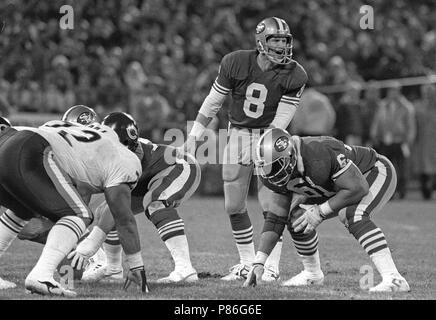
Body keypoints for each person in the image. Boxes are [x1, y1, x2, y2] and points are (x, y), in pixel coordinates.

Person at [181, 17, 307, 281]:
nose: (282, 45)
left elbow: (281, 120)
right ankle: (247, 263)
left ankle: (270, 266)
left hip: (271, 136)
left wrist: (263, 147)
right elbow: (213, 101)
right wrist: (194, 136)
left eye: (285, 40)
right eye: (276, 40)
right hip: (238, 133)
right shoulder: (235, 61)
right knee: (233, 205)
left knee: (270, 204)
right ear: (261, 40)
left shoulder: (295, 74)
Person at [244, 128, 410, 292]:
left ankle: (394, 278)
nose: (270, 173)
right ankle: (312, 274)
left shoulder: (318, 153)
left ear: (290, 155)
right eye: (266, 167)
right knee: (295, 216)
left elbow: (358, 188)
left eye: (275, 165)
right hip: (336, 187)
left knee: (352, 214)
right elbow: (275, 219)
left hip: (372, 172)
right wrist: (259, 261)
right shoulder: (274, 176)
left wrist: (320, 211)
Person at [0, 113, 147, 296]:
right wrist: (136, 266)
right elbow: (124, 219)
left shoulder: (84, 136)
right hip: (31, 148)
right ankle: (41, 275)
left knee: (21, 210)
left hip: (9, 139)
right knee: (80, 215)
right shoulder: (124, 158)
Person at [69, 133, 201, 283]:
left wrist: (91, 242)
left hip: (179, 165)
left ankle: (185, 269)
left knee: (155, 204)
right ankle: (113, 270)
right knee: (106, 209)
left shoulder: (120, 155)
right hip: (145, 179)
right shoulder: (97, 155)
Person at [370, 83, 416, 199]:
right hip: (385, 141)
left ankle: (402, 191)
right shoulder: (383, 105)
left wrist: (409, 140)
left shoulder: (406, 106)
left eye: (395, 90)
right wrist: (374, 134)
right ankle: (389, 192)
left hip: (400, 141)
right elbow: (377, 121)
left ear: (399, 91)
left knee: (401, 168)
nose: (392, 93)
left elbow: (410, 125)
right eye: (391, 90)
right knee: (386, 168)